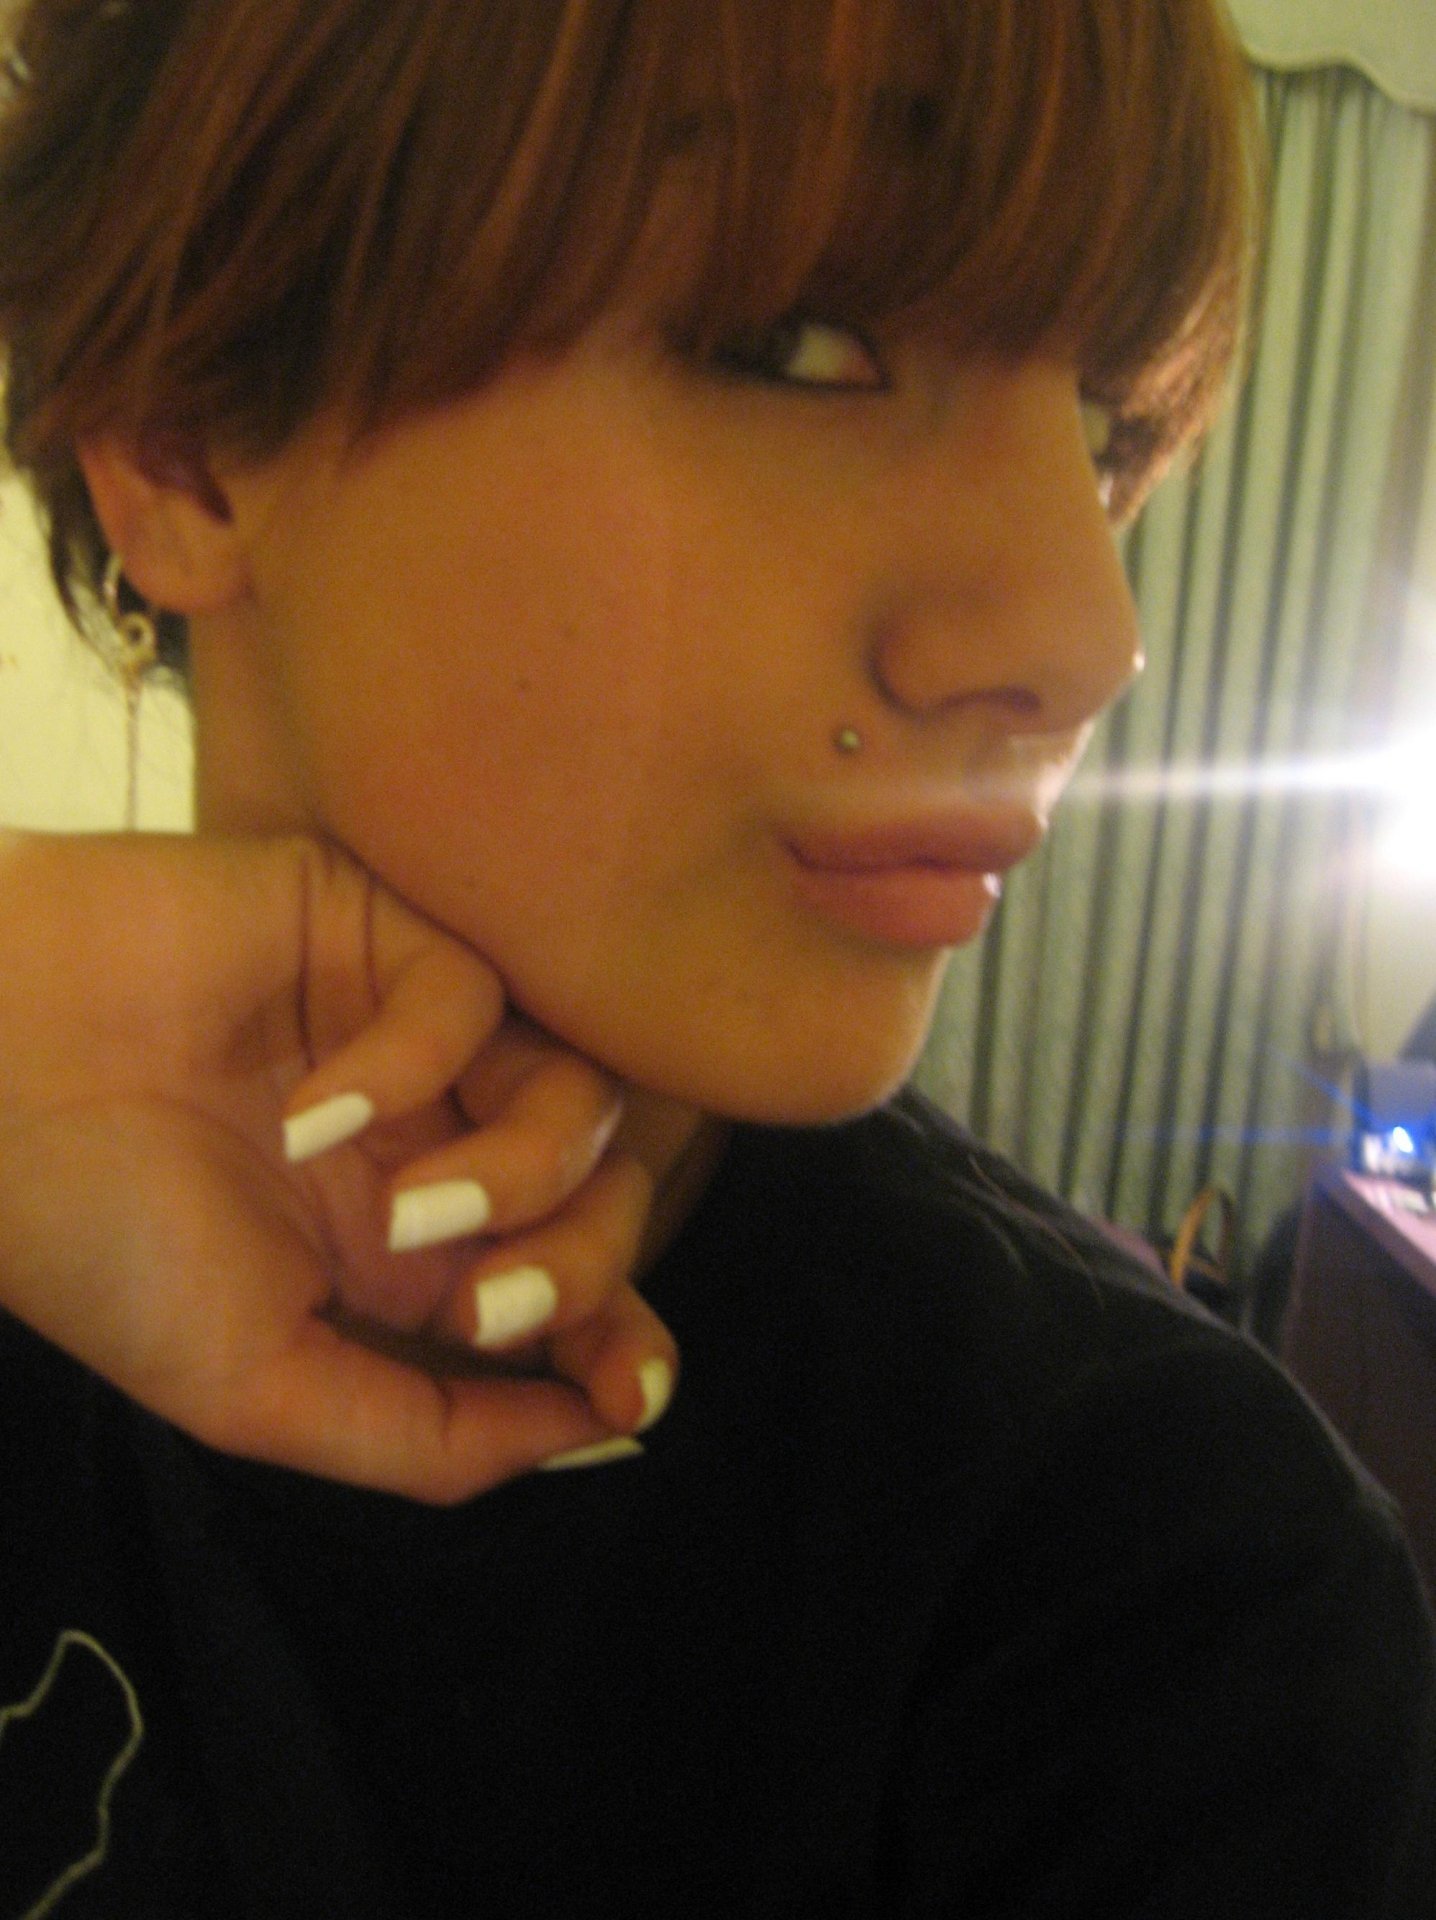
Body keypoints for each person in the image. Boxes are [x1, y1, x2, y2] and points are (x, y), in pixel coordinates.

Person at [0, 1, 1430, 1914]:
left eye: (1106, 435)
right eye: (803, 338)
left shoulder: (1163, 1591)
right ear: (188, 442)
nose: (1086, 639)